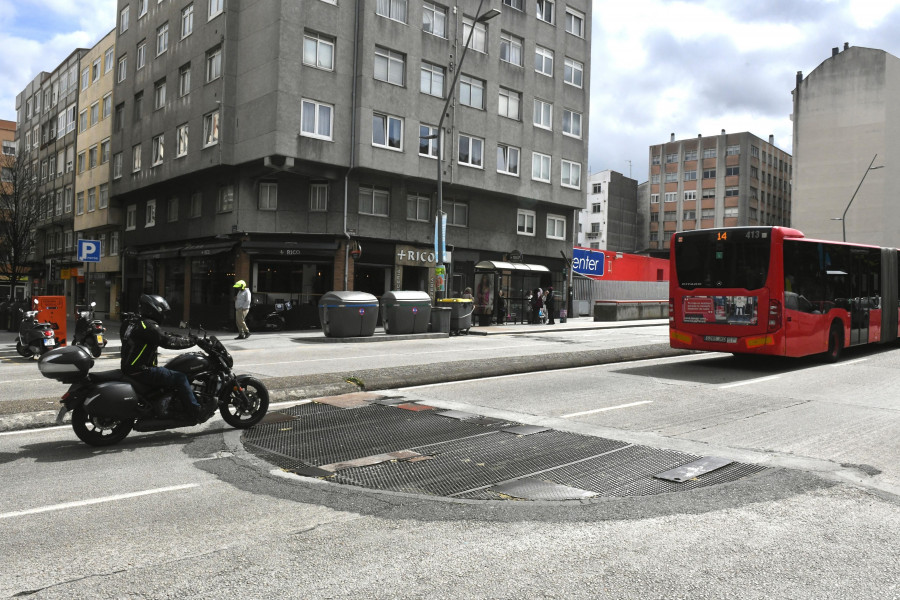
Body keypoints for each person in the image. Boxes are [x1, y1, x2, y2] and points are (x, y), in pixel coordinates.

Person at [120, 294, 204, 422]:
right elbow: (167, 341)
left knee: (168, 372)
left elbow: (161, 335)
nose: (164, 315)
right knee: (180, 377)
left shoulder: (133, 324)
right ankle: (195, 412)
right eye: (162, 311)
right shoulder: (147, 326)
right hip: (141, 370)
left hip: (130, 368)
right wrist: (192, 342)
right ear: (154, 310)